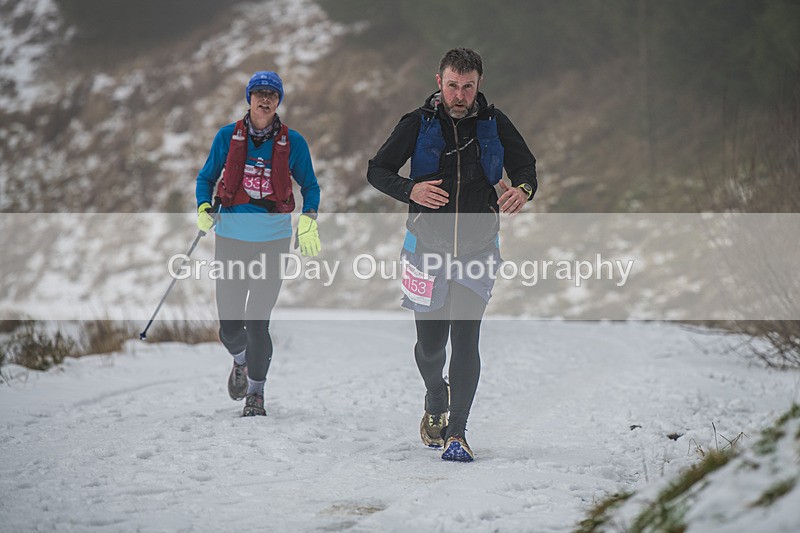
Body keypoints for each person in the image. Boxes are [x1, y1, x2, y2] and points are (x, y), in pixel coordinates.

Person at [367, 48, 537, 461]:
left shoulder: (495, 124)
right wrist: (411, 189)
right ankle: (435, 395)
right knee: (430, 346)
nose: (459, 95)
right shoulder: (417, 123)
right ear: (438, 82)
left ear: (479, 84)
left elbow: (526, 167)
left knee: (465, 340)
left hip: (479, 249)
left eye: (468, 86)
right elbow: (377, 170)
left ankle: (457, 432)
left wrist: (523, 190)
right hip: (425, 249)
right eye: (452, 85)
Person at [196, 70, 321, 417]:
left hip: (273, 240)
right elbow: (206, 178)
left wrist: (309, 219)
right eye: (258, 93)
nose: (265, 99)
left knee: (258, 321)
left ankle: (256, 393)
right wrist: (204, 206)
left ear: (278, 101)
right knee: (230, 328)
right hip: (232, 238)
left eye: (272, 94)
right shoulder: (227, 136)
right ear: (248, 98)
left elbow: (311, 186)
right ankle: (241, 361)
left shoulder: (293, 143)